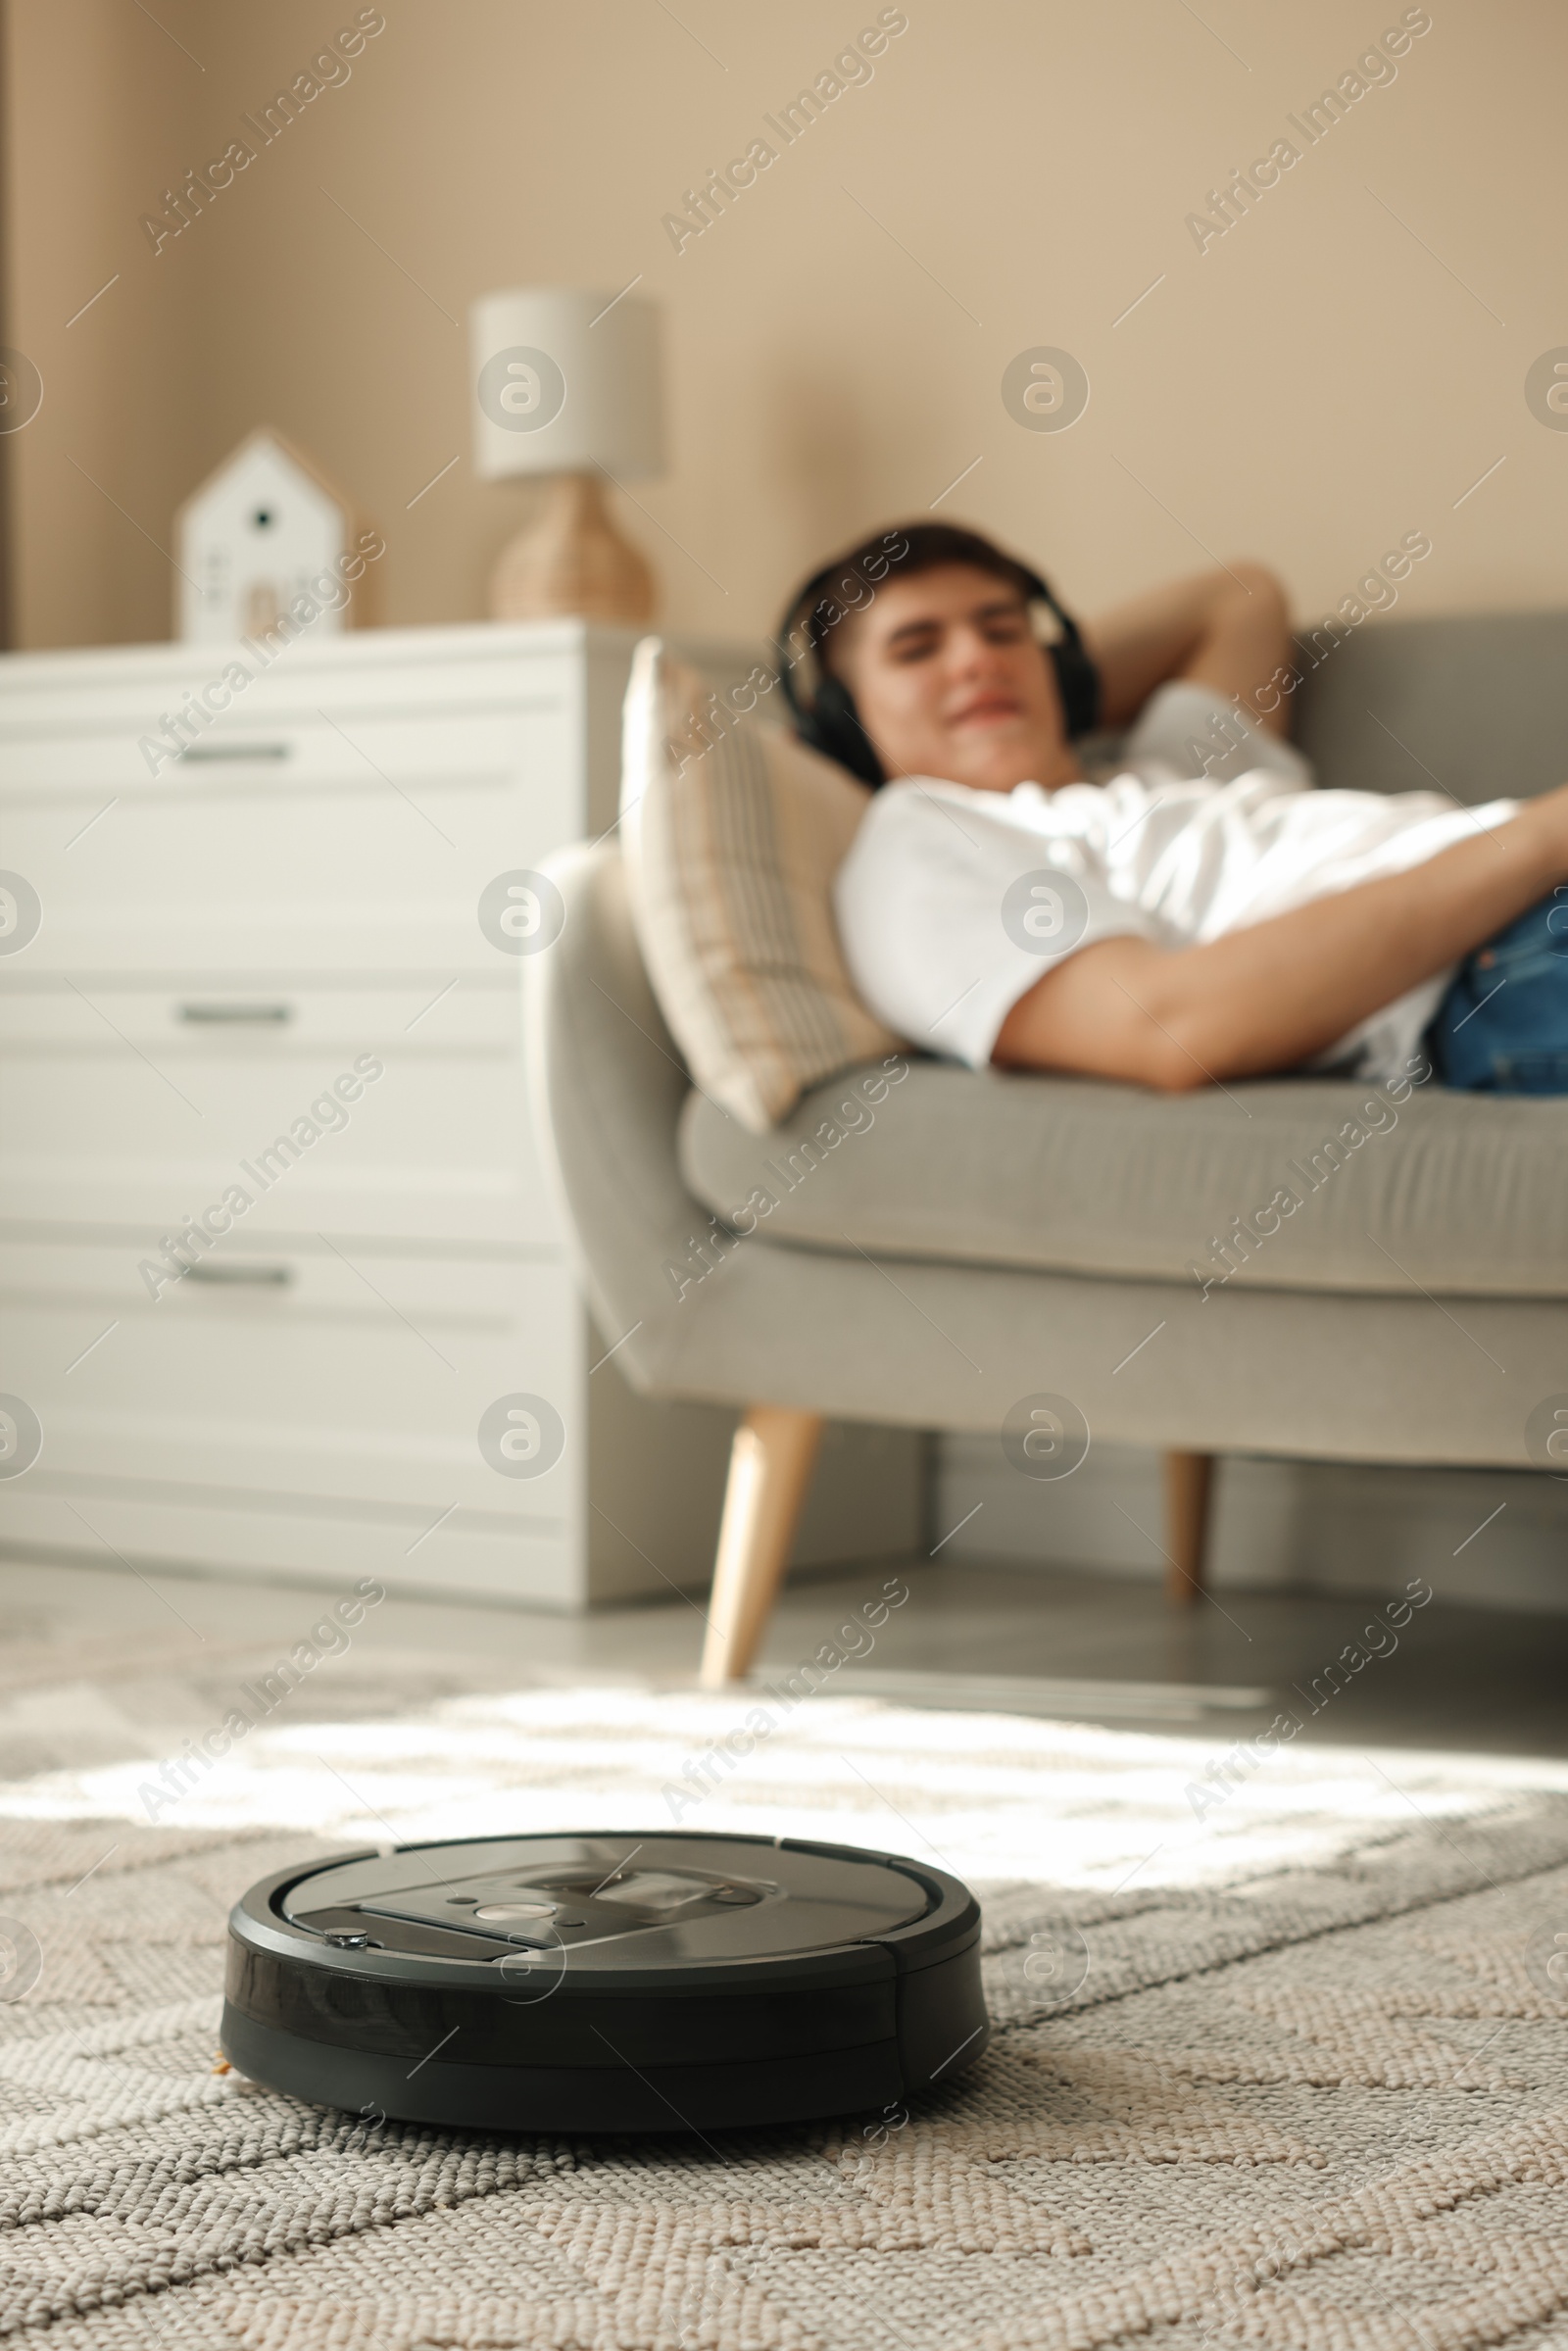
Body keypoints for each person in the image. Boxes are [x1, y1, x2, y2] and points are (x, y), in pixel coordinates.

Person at [784, 522, 1568, 1094]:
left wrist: (1050, 685)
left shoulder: (1164, 769)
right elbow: (1170, 1031)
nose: (978, 656)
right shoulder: (917, 844)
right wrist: (1538, 838)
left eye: (1001, 630)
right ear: (844, 716)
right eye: (918, 648)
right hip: (1497, 966)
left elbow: (1239, 599)